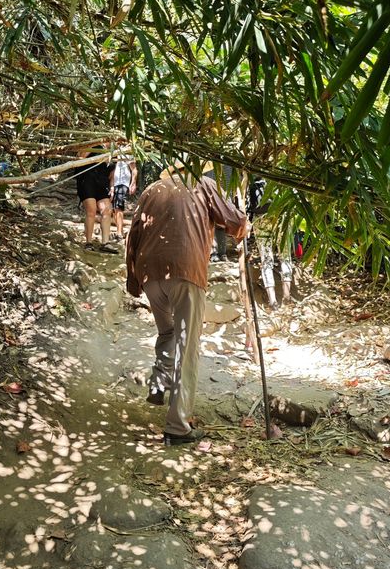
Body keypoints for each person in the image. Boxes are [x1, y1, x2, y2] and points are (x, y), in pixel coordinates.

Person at [126, 164, 248, 445]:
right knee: (187, 347)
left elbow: (133, 236)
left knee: (167, 332)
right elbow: (234, 221)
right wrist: (244, 226)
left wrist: (133, 281)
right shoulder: (202, 184)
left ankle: (159, 383)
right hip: (186, 270)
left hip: (150, 273)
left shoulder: (150, 190)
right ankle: (178, 426)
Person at [247, 178, 293, 309]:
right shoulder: (278, 177)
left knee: (266, 258)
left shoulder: (252, 181)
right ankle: (287, 297)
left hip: (260, 219)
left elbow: (247, 205)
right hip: (280, 216)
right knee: (285, 256)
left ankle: (273, 301)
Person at [75, 149, 117, 253]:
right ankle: (88, 242)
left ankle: (105, 243)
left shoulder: (114, 152)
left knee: (107, 211)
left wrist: (112, 187)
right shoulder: (94, 146)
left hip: (102, 183)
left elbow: (112, 174)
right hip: (87, 181)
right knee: (91, 211)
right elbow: (80, 159)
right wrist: (93, 146)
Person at [109, 152, 137, 241]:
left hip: (123, 182)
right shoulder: (112, 153)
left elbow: (134, 169)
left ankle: (119, 233)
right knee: (113, 208)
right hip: (115, 184)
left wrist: (133, 183)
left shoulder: (127, 153)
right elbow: (112, 173)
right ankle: (119, 230)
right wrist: (112, 186)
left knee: (118, 207)